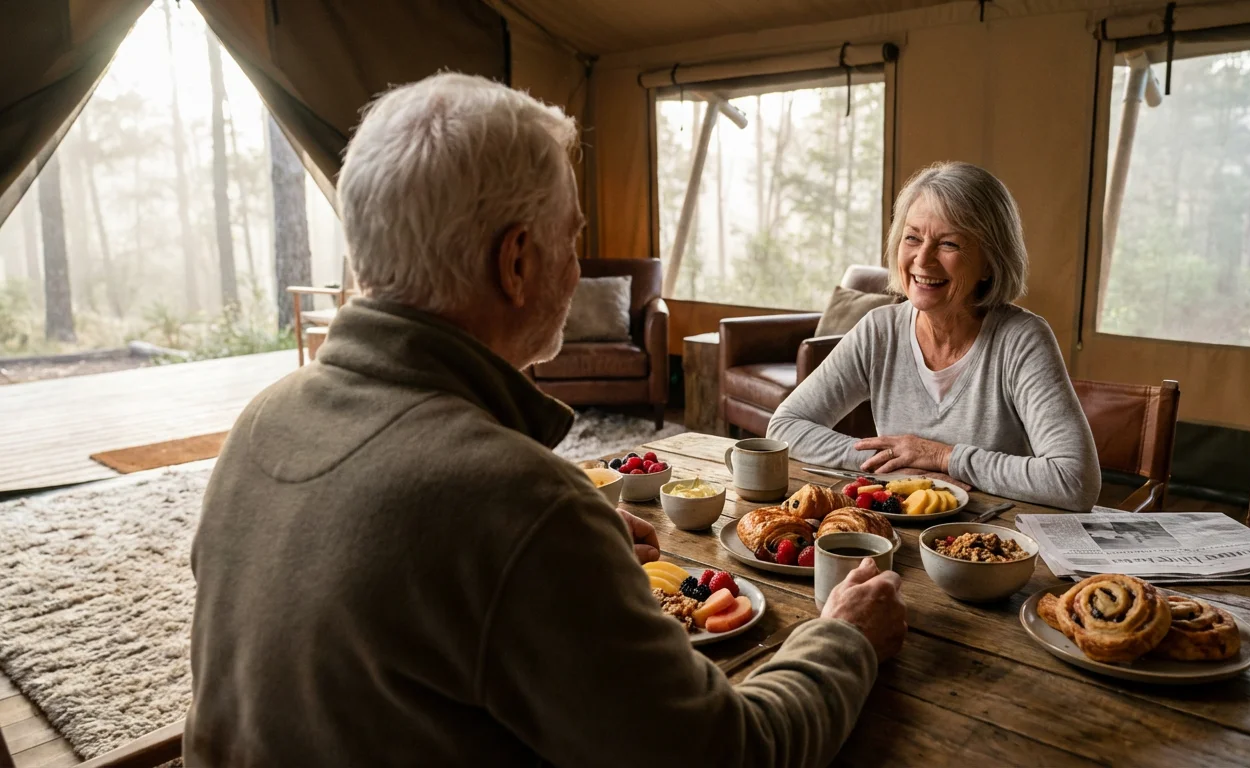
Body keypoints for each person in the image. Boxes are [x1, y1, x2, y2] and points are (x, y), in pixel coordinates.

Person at [185, 73, 907, 767]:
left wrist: (568, 566)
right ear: (518, 262)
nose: (578, 266)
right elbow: (731, 753)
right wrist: (842, 638)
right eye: (574, 236)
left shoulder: (260, 421)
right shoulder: (518, 504)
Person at [768, 162, 1100, 511]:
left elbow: (1074, 480)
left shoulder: (1022, 339)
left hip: (992, 541)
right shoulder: (879, 330)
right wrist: (894, 464)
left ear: (990, 261)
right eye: (912, 238)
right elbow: (784, 428)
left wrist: (942, 457)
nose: (922, 259)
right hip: (896, 533)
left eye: (949, 243)